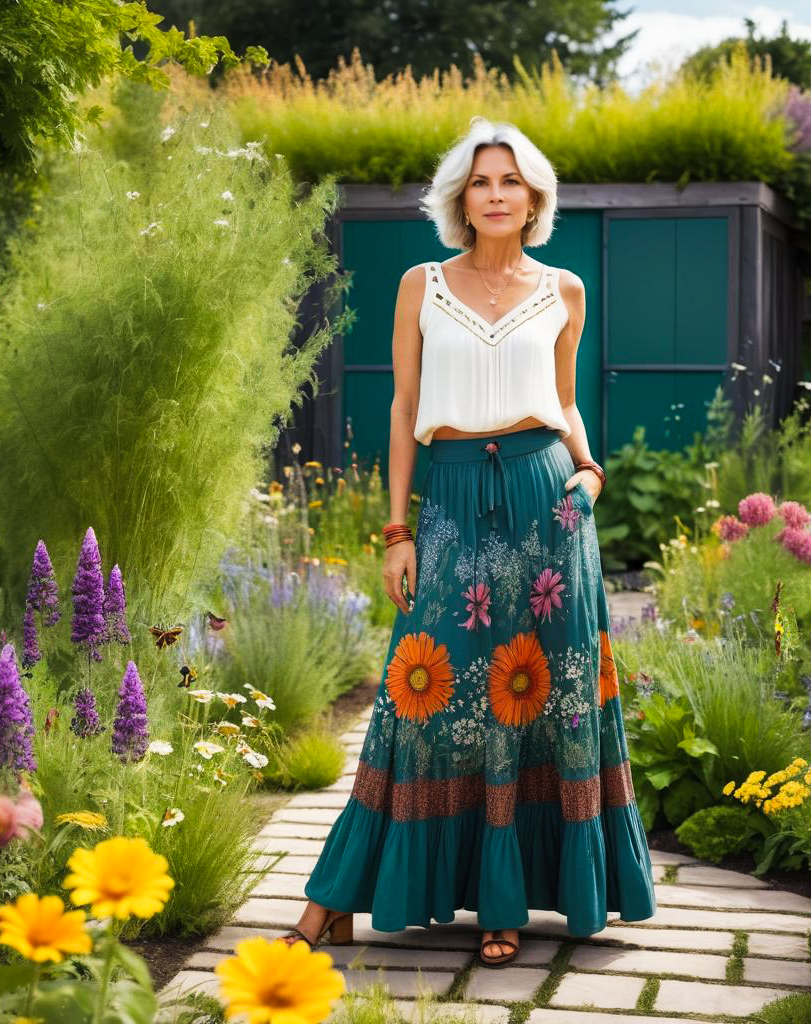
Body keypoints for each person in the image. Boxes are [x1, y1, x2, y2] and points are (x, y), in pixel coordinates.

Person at [281, 115, 656, 966]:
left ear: (533, 200)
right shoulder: (422, 284)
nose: (496, 195)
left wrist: (589, 473)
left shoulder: (565, 290)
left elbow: (564, 401)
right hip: (448, 499)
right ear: (462, 197)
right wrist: (396, 530)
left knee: (542, 693)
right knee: (420, 687)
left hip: (545, 501)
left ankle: (506, 905)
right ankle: (333, 899)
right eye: (482, 182)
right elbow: (404, 410)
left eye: (511, 182)